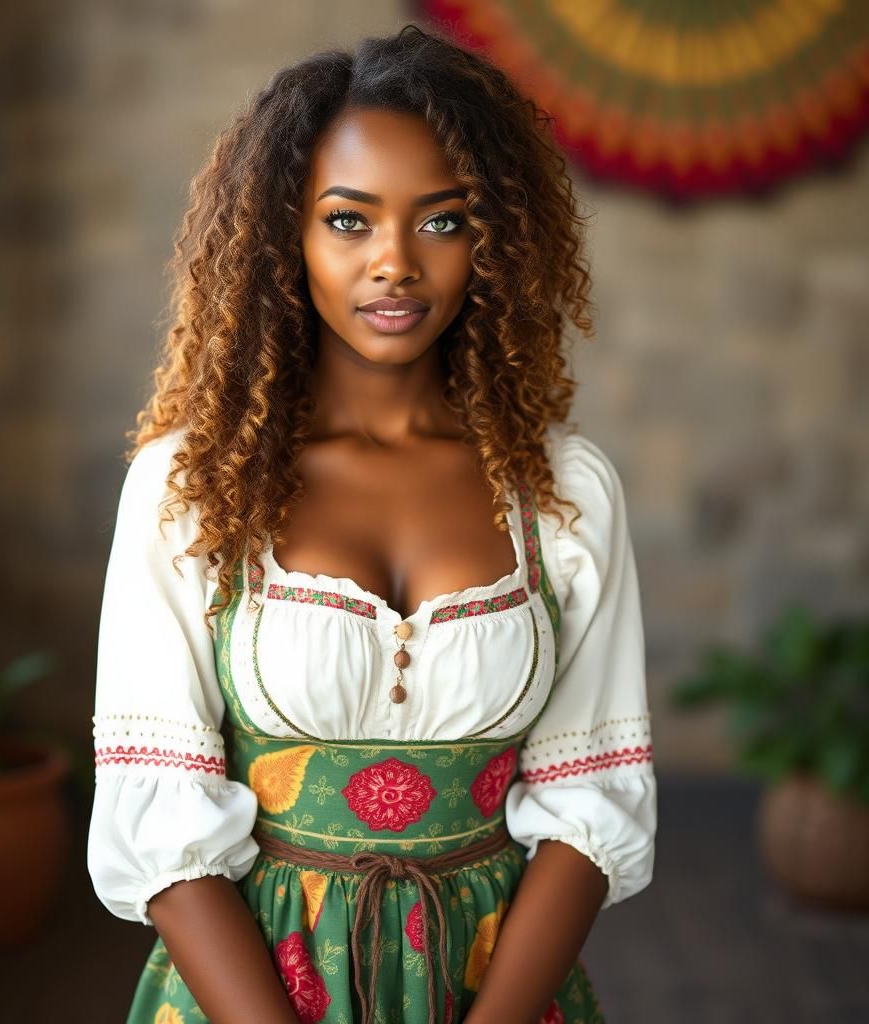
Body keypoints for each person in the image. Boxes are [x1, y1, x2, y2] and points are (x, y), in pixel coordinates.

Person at [87, 23, 656, 1024]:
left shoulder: (562, 492)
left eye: (442, 222)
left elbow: (589, 807)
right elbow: (161, 821)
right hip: (249, 996)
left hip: (499, 991)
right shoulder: (188, 486)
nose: (395, 262)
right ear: (284, 235)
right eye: (349, 221)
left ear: (492, 241)